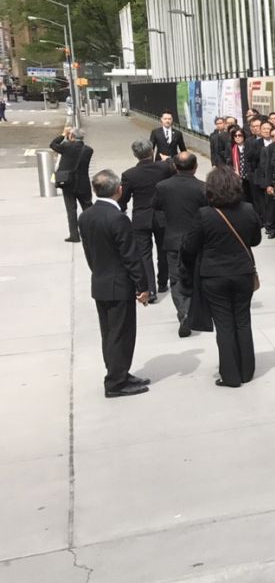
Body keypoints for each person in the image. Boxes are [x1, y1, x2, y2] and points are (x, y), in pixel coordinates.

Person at [181, 167, 263, 388]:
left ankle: (230, 374)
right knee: (243, 321)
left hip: (214, 275)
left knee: (224, 325)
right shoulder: (248, 209)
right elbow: (255, 240)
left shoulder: (204, 214)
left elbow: (190, 246)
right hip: (243, 272)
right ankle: (247, 370)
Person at [78, 169, 151, 397]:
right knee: (122, 334)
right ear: (118, 190)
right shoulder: (118, 218)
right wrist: (142, 286)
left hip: (101, 281)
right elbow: (131, 256)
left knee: (110, 334)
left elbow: (89, 253)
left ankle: (118, 372)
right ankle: (116, 383)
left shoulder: (86, 216)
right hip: (119, 285)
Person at [153, 152, 206, 337]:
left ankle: (184, 312)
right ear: (195, 167)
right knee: (196, 276)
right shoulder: (202, 187)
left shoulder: (162, 186)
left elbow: (156, 206)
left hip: (174, 239)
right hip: (196, 240)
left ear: (175, 167)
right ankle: (192, 311)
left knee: (176, 279)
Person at [120, 138, 176, 299]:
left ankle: (150, 289)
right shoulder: (163, 168)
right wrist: (168, 160)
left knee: (144, 254)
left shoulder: (129, 174)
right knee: (163, 251)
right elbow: (176, 169)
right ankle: (163, 282)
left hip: (141, 217)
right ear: (152, 151)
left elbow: (124, 198)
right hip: (161, 215)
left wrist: (122, 210)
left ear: (135, 155)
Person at [51, 126, 93, 242]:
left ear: (71, 136)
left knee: (71, 209)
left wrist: (63, 134)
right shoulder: (89, 150)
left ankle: (74, 235)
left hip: (68, 183)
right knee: (88, 207)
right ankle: (92, 231)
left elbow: (53, 144)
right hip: (83, 183)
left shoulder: (66, 146)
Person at [228, 127, 251, 201]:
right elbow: (229, 163)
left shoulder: (249, 146)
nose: (237, 137)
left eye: (240, 135)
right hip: (238, 178)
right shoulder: (232, 148)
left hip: (248, 177)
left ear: (244, 136)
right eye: (235, 136)